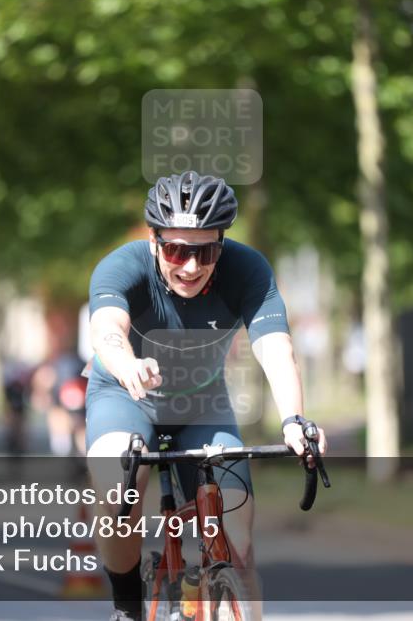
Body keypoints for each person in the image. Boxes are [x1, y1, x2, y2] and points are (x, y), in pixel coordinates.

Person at [85, 171, 328, 621]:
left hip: (201, 404)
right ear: (155, 240)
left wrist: (294, 419)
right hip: (124, 397)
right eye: (177, 250)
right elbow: (106, 331)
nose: (191, 267)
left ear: (222, 244)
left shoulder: (248, 269)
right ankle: (127, 608)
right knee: (118, 485)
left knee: (240, 539)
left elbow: (275, 346)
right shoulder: (123, 266)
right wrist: (127, 365)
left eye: (206, 251)